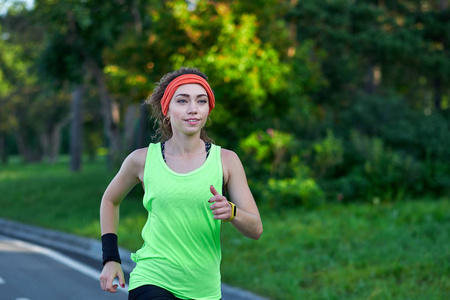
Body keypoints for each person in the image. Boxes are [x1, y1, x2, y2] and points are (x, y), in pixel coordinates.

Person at [99, 67, 263, 300]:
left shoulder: (226, 161)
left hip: (204, 290)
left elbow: (256, 229)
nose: (193, 109)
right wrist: (110, 258)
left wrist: (232, 212)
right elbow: (109, 200)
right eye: (182, 101)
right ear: (167, 109)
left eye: (201, 101)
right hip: (152, 279)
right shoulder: (142, 160)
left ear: (208, 109)